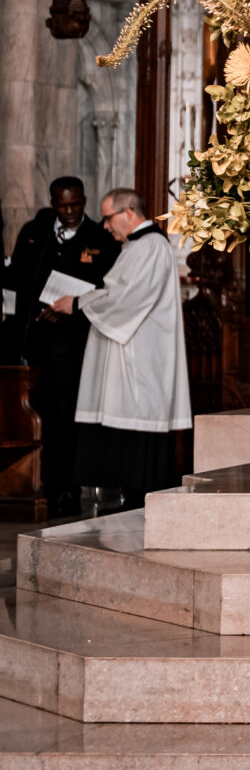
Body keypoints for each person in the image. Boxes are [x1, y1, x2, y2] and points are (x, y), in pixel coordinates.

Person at [52, 189, 191, 506]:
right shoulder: (138, 247)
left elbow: (125, 299)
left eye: (108, 218)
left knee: (136, 427)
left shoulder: (151, 246)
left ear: (128, 212)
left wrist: (77, 303)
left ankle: (138, 498)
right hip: (132, 355)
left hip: (141, 360)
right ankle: (129, 497)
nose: (104, 226)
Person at [7, 178, 118, 516]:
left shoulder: (100, 238)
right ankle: (32, 484)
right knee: (33, 415)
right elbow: (18, 278)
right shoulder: (35, 231)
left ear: (84, 200)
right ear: (52, 202)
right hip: (32, 341)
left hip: (72, 345)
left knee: (64, 421)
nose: (69, 211)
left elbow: (108, 291)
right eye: (62, 205)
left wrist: (72, 308)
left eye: (75, 205)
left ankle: (65, 490)